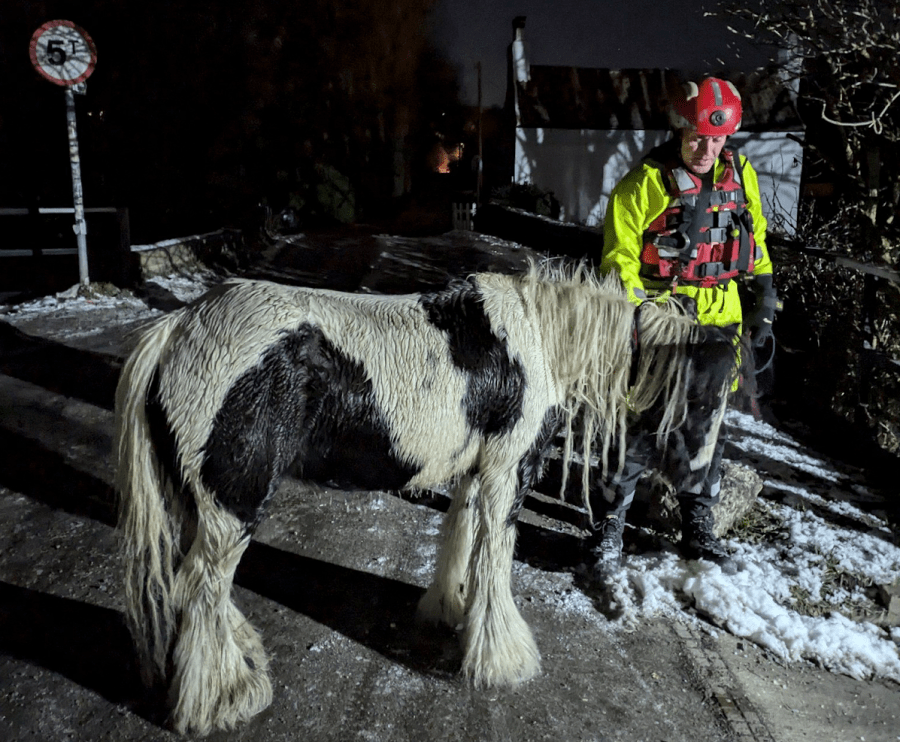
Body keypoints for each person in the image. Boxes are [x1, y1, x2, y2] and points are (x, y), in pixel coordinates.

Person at [590, 77, 778, 577]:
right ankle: (609, 524)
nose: (706, 149)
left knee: (707, 426)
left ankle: (699, 525)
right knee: (636, 423)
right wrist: (636, 320)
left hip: (721, 323)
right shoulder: (643, 185)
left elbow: (753, 235)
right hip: (661, 323)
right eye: (697, 137)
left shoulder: (741, 175)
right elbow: (618, 262)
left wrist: (764, 293)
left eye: (716, 140)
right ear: (678, 129)